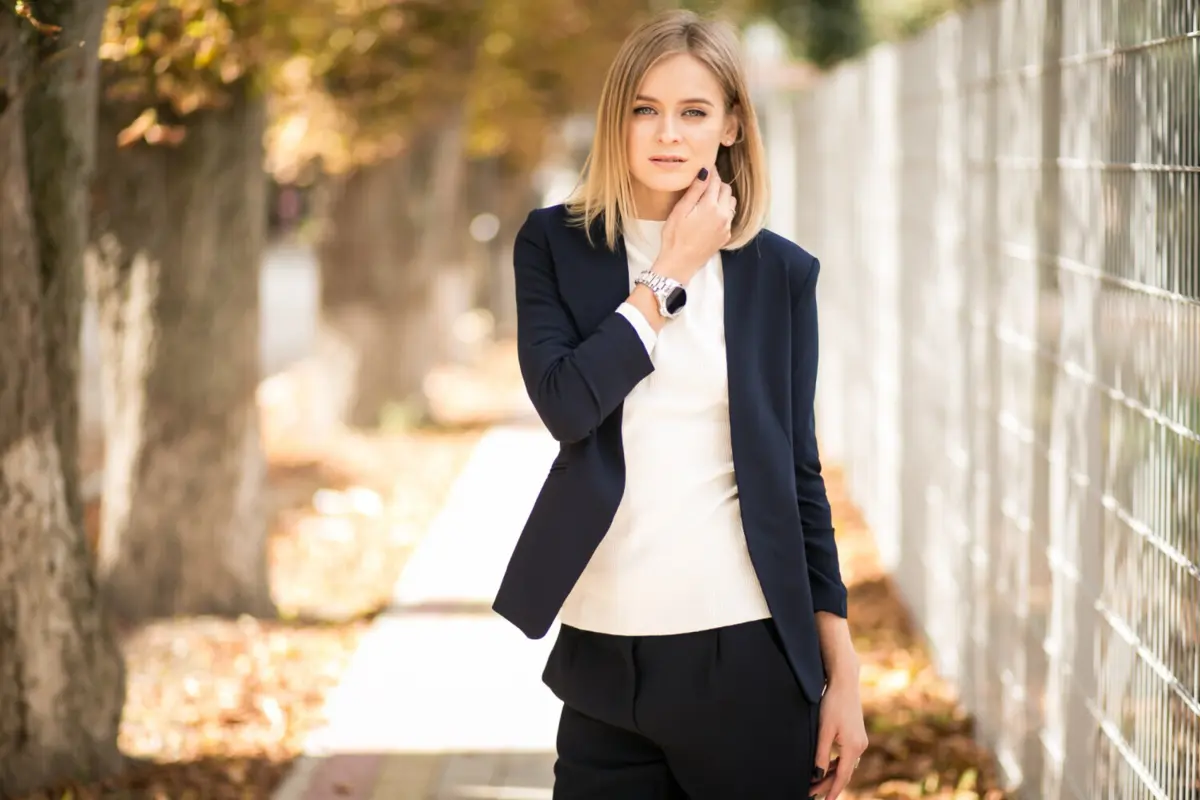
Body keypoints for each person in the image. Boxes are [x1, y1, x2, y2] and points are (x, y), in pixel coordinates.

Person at [492, 9, 868, 799]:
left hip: (745, 654)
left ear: (731, 125)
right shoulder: (554, 245)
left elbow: (799, 477)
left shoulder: (778, 274)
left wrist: (843, 672)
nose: (668, 133)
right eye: (646, 109)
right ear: (618, 119)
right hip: (601, 658)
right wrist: (668, 276)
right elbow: (567, 406)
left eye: (694, 111)